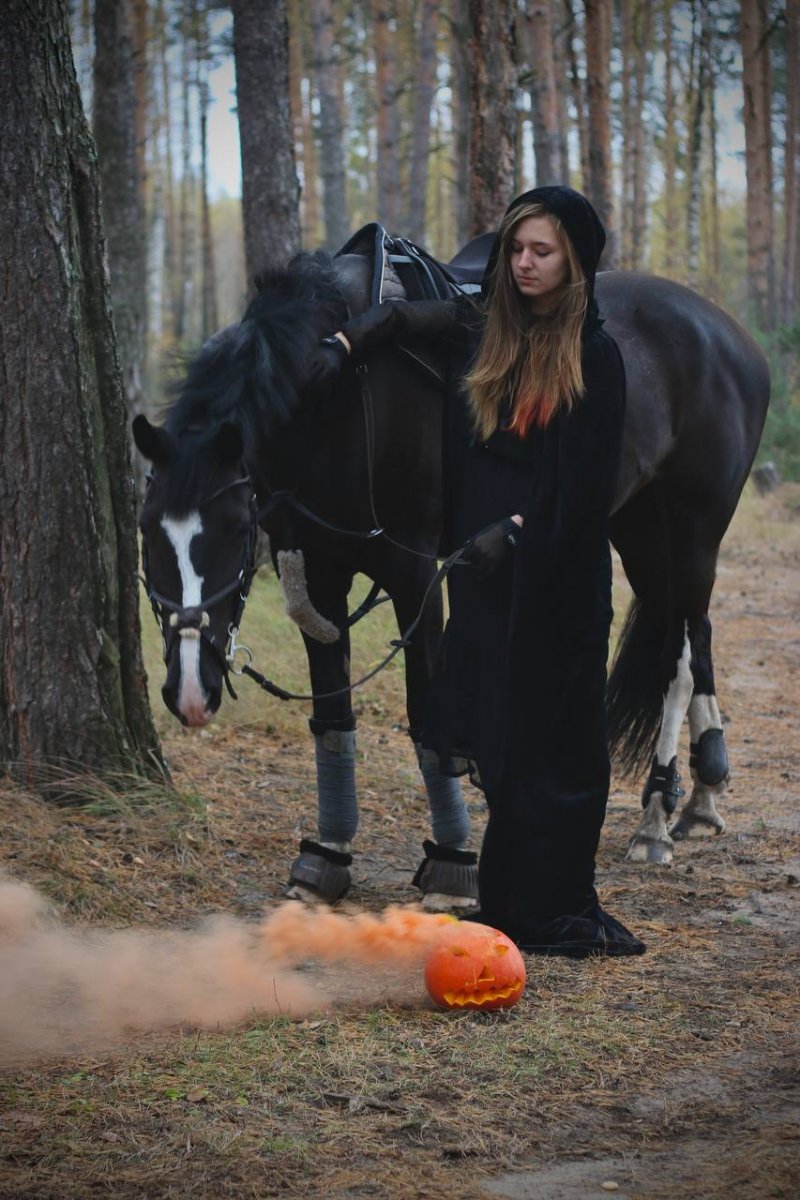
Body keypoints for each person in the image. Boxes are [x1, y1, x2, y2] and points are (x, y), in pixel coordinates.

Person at [320, 186, 645, 957]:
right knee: (501, 746)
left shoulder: (594, 357)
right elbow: (410, 324)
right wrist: (347, 342)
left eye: (542, 252)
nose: (524, 264)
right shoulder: (487, 334)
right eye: (516, 249)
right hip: (485, 577)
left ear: (576, 262)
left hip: (556, 583)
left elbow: (584, 488)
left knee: (559, 750)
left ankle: (558, 906)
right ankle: (507, 901)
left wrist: (518, 532)